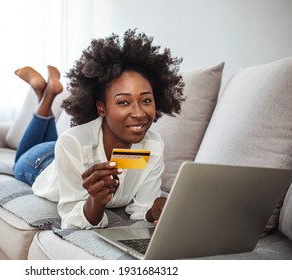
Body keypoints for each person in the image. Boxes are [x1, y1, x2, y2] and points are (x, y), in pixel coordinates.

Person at [13, 29, 185, 229]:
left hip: (66, 149)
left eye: (146, 100)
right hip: (42, 162)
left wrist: (153, 211)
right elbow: (71, 220)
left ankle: (44, 92)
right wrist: (95, 202)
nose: (139, 113)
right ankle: (47, 96)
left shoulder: (153, 146)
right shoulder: (72, 142)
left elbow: (142, 207)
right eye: (123, 102)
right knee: (17, 162)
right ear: (101, 107)